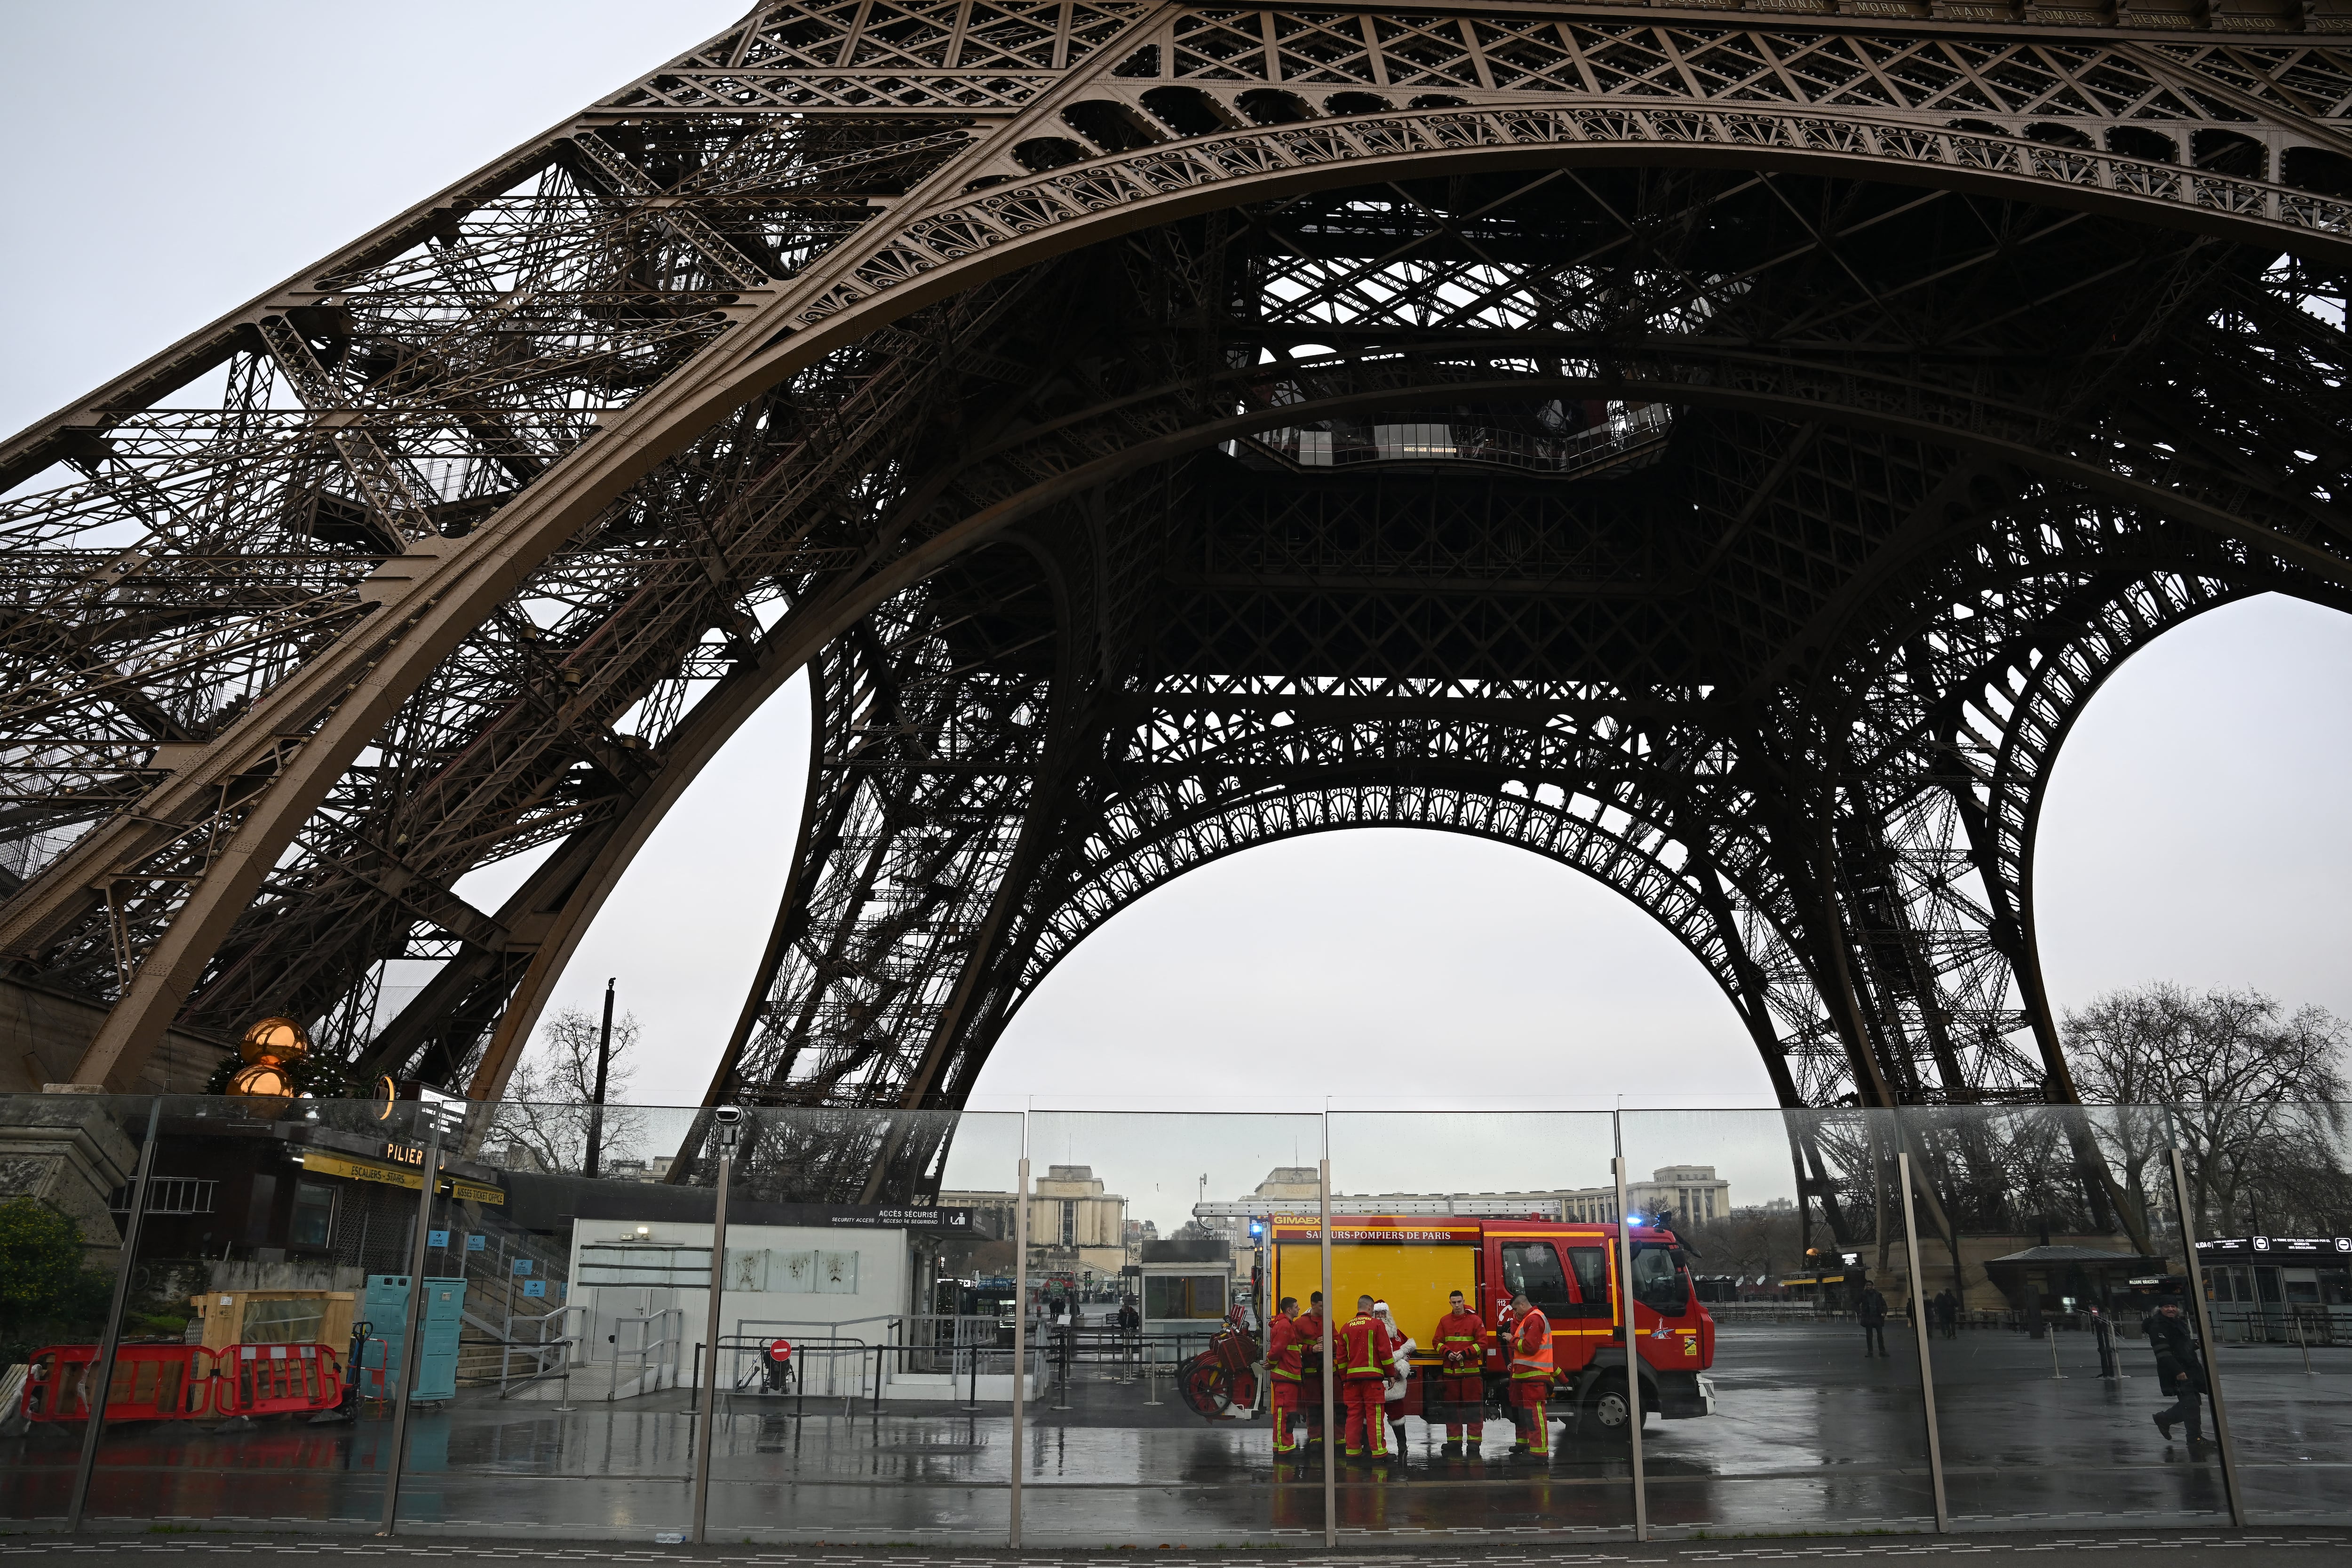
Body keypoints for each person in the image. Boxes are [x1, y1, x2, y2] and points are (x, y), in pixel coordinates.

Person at [1337, 1294, 1396, 1460]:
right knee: (1375, 1415)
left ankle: (1353, 1451)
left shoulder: (1346, 1327)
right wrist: (1390, 1374)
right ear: (1370, 1308)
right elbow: (1385, 1353)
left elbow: (1341, 1359)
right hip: (1372, 1380)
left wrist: (1344, 1378)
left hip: (1352, 1381)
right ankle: (1378, 1452)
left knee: (1354, 1415)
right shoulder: (1376, 1325)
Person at [1432, 1288, 1487, 1457]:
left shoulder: (1475, 1320)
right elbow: (1436, 1342)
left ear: (1464, 1301)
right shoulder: (1444, 1321)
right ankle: (1454, 1442)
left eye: (1459, 1302)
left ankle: (1474, 1443)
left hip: (1471, 1374)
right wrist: (1447, 1352)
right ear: (1450, 1303)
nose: (1457, 1305)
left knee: (1473, 1409)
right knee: (1451, 1410)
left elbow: (1483, 1343)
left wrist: (1465, 1353)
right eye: (1454, 1303)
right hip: (1451, 1374)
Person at [2145, 1300, 2207, 1446]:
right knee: (2191, 1404)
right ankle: (2194, 1439)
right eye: (2166, 1306)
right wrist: (2178, 1371)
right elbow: (2163, 1353)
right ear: (2160, 1309)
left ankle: (2165, 1419)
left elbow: (2178, 1346)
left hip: (2188, 1368)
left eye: (2173, 1306)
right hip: (2177, 1371)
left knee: (2193, 1403)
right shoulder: (2158, 1326)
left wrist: (2192, 1344)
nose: (2171, 1309)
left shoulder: (2176, 1323)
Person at [1507, 1287, 1553, 1460]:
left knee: (1535, 1414)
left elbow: (1529, 1347)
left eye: (1515, 1309)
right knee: (1528, 1413)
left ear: (1522, 1305)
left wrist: (1511, 1339)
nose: (1514, 1313)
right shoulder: (1531, 1319)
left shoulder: (1534, 1319)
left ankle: (1539, 1452)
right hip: (1527, 1375)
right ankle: (1528, 1445)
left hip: (1534, 1374)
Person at [1266, 1295, 1307, 1457]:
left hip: (1288, 1377)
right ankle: (1285, 1446)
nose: (1299, 1309)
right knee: (1284, 1414)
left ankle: (1282, 1445)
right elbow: (1277, 1350)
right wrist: (1270, 1362)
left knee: (1285, 1413)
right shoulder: (1284, 1326)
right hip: (1286, 1377)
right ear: (1289, 1310)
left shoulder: (1285, 1324)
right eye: (1296, 1307)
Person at [1374, 1300, 1416, 1461]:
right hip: (1378, 1381)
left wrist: (1402, 1363)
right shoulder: (1371, 1332)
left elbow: (1408, 1350)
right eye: (1377, 1314)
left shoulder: (1396, 1333)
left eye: (1383, 1313)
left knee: (1397, 1416)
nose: (1380, 1317)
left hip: (1395, 1385)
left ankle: (1402, 1446)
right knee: (1373, 1418)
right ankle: (1374, 1449)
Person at [1857, 1282, 1889, 1358]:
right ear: (1866, 1286)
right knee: (1869, 1336)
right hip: (1869, 1317)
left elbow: (1884, 1305)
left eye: (1870, 1285)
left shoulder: (1878, 1295)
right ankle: (1871, 1351)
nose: (1869, 1287)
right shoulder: (1863, 1295)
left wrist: (1884, 1313)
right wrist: (1860, 1313)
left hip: (1877, 1317)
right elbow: (1855, 1303)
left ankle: (1882, 1351)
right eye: (1867, 1285)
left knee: (1880, 1335)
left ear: (1873, 1286)